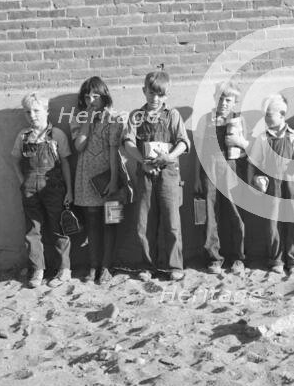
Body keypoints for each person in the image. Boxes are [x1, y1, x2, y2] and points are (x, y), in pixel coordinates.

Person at [122, 70, 189, 281]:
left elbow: (184, 142)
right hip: (145, 173)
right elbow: (128, 142)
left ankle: (173, 265)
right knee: (144, 222)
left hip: (169, 173)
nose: (155, 99)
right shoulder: (136, 116)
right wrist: (142, 162)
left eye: (160, 95)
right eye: (151, 93)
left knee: (171, 220)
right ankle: (147, 265)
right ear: (144, 91)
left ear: (166, 96)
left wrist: (169, 157)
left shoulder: (173, 115)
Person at [11, 93, 73, 288]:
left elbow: (65, 163)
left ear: (46, 111)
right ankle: (38, 269)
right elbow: (15, 160)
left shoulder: (56, 135)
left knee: (58, 228)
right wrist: (23, 181)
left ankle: (64, 269)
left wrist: (69, 190)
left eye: (36, 111)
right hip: (30, 190)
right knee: (32, 230)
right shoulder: (23, 136)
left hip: (54, 188)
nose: (32, 115)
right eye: (28, 112)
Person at [193, 81, 249, 275]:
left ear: (235, 102)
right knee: (210, 214)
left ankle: (238, 257)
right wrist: (196, 178)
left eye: (229, 100)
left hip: (232, 169)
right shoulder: (205, 120)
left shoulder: (239, 120)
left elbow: (247, 149)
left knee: (235, 213)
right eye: (221, 98)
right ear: (215, 99)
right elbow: (198, 151)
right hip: (208, 170)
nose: (224, 103)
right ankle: (214, 258)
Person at [71, 77, 122, 285]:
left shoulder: (114, 118)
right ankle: (93, 265)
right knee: (92, 223)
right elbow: (79, 147)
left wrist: (113, 179)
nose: (91, 99)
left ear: (104, 96)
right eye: (87, 95)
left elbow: (113, 151)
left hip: (109, 177)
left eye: (96, 96)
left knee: (111, 221)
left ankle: (107, 266)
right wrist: (87, 121)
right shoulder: (78, 118)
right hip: (86, 178)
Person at [248, 94, 294, 275]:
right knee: (273, 221)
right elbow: (253, 163)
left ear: (282, 115)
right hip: (271, 185)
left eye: (269, 114)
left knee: (293, 220)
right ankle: (276, 259)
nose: (266, 118)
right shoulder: (262, 139)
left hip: (291, 183)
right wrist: (254, 181)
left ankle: (293, 259)